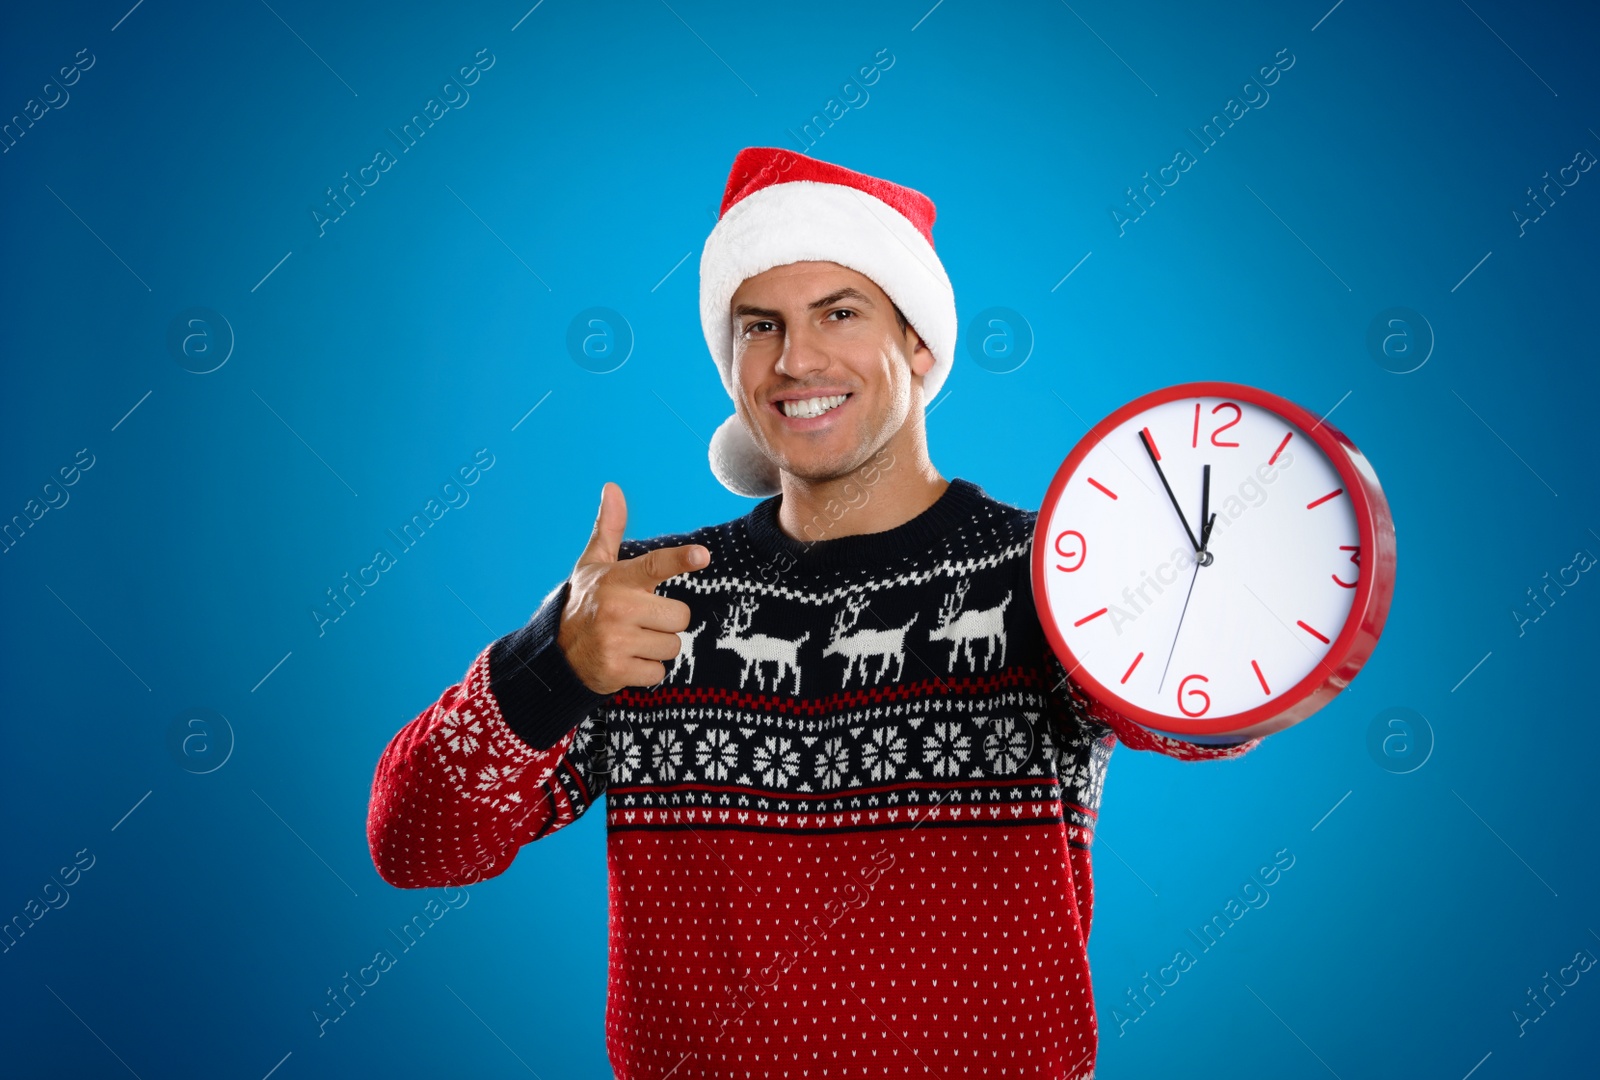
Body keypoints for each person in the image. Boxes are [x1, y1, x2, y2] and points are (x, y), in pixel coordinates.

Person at [366, 146, 1265, 1079]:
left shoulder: (1042, 573)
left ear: (918, 344)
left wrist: (1194, 589)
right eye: (761, 325)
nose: (796, 359)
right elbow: (417, 845)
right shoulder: (639, 598)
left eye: (840, 312)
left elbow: (1204, 719)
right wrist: (550, 663)